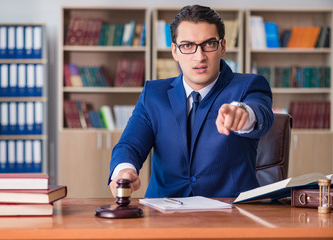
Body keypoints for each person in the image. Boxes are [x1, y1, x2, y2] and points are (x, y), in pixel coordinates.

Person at [108, 5, 274, 198]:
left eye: (209, 44)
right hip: (164, 214)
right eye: (187, 46)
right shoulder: (153, 94)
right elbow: (130, 145)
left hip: (231, 213)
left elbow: (262, 114)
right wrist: (124, 171)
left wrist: (244, 115)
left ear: (222, 47)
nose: (199, 56)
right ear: (175, 51)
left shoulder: (249, 85)